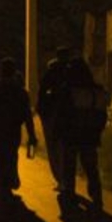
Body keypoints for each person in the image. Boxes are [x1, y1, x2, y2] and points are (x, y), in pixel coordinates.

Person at [54, 58, 109, 210]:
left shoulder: (68, 91)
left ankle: (69, 194)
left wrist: (57, 132)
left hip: (71, 135)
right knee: (91, 168)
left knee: (69, 166)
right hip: (90, 136)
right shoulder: (98, 91)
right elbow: (103, 116)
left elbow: (62, 115)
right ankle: (97, 196)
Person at [0, 56, 37, 193]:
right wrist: (32, 134)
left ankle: (1, 179)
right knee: (12, 154)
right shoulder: (21, 92)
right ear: (14, 72)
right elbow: (27, 115)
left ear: (0, 71)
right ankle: (11, 177)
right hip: (13, 128)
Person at [36, 46, 72, 187]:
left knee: (55, 149)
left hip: (54, 116)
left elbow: (42, 93)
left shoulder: (52, 72)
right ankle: (67, 181)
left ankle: (60, 179)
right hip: (72, 118)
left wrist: (42, 112)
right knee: (68, 151)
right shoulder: (74, 72)